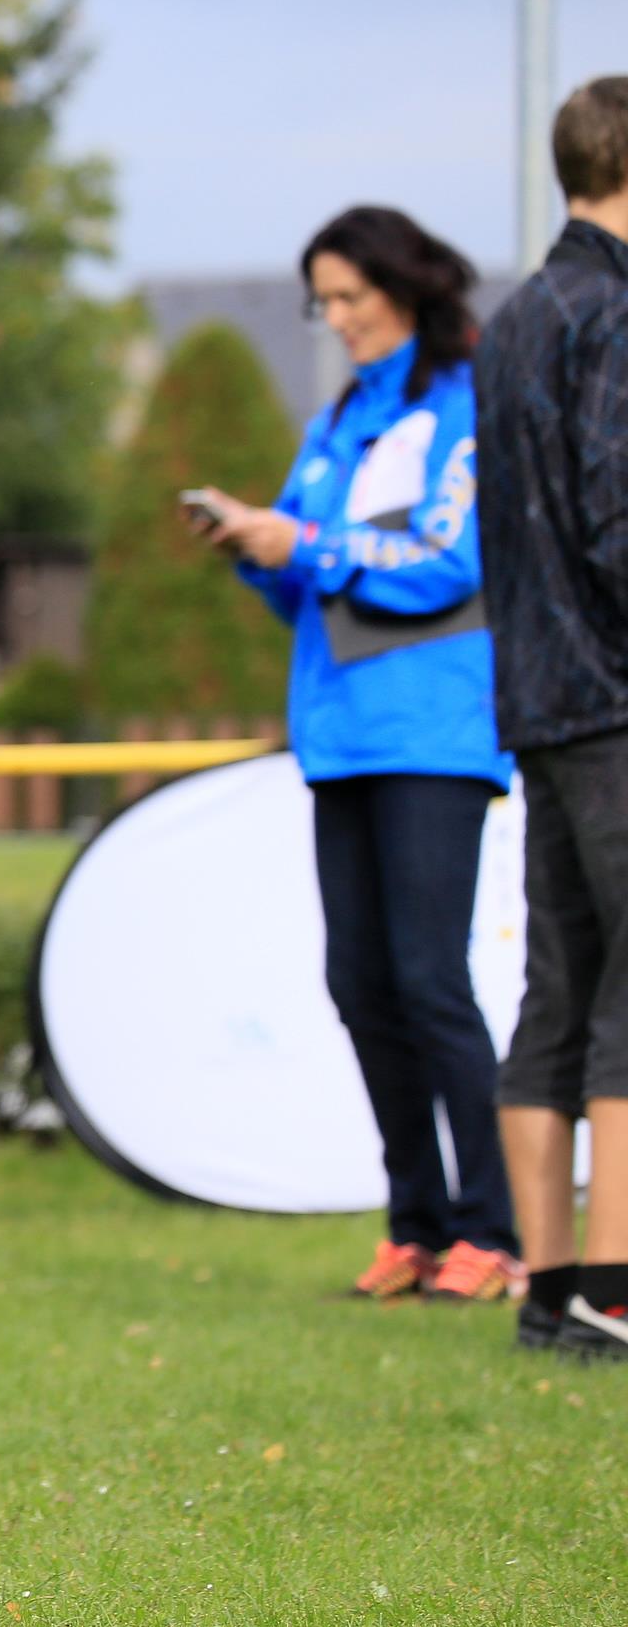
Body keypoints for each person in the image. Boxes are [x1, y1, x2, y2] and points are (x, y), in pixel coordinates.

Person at [193, 206, 520, 1304]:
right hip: (339, 735)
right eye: (321, 302)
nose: (335, 318)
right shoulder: (337, 418)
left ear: (407, 285)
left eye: (350, 296)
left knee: (431, 981)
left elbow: (449, 558)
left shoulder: (463, 401)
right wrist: (256, 547)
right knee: (361, 984)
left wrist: (307, 542)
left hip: (432, 730)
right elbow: (308, 572)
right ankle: (415, 1226)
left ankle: (493, 1231)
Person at [478, 77, 628, 1360]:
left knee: (560, 990)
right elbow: (618, 514)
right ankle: (615, 1292)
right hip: (619, 694)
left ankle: (549, 1287)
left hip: (537, 695)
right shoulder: (617, 312)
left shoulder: (520, 312)